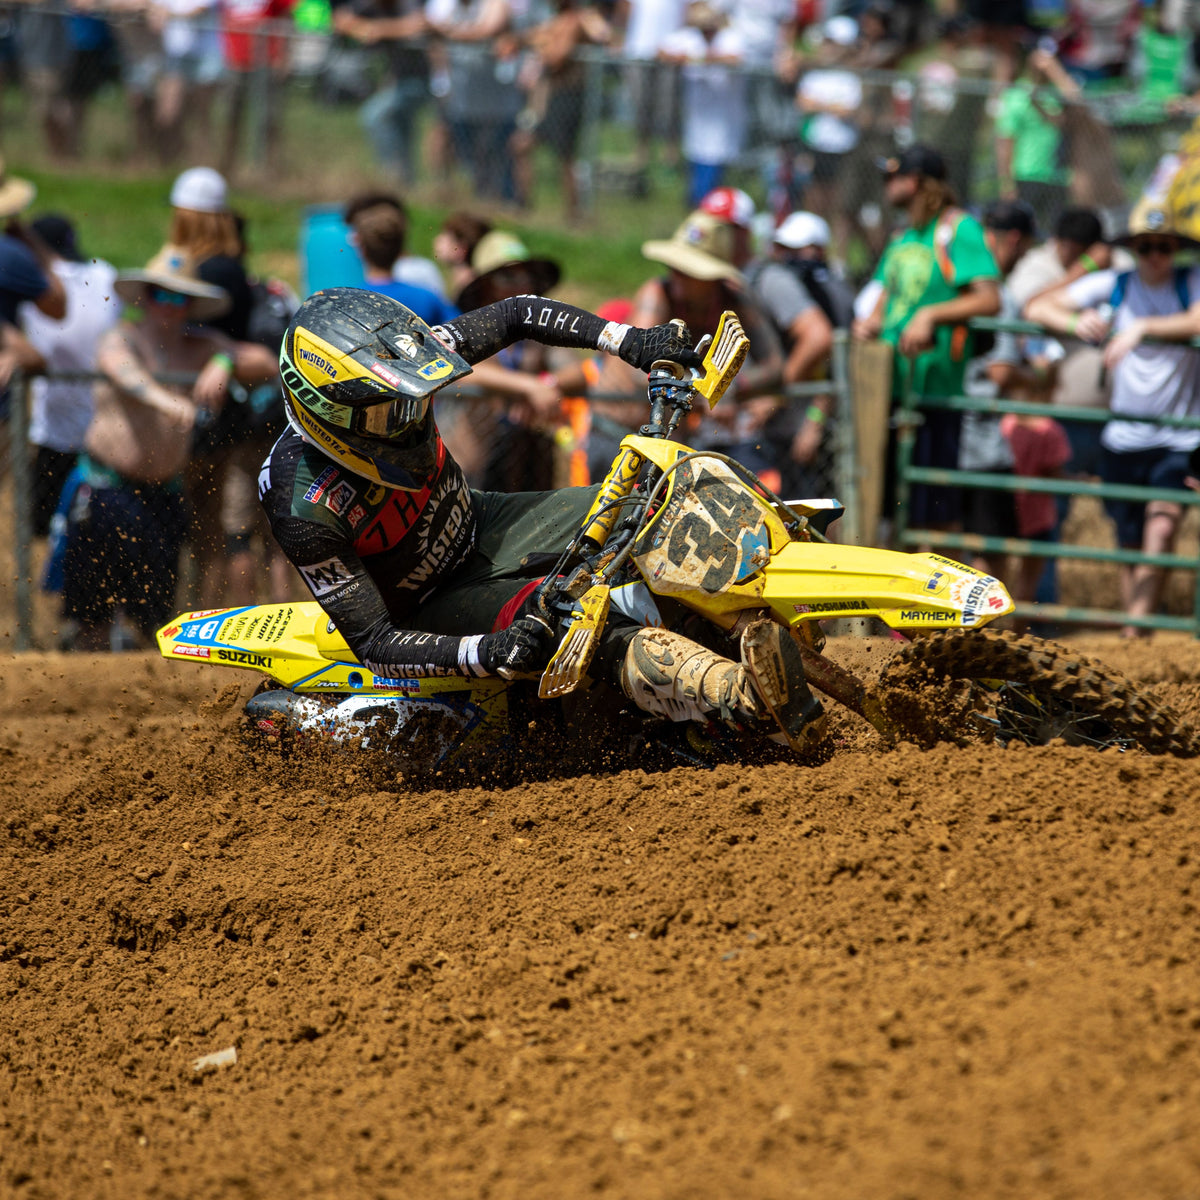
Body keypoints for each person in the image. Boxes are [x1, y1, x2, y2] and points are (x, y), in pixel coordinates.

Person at [258, 287, 824, 747]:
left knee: (651, 500)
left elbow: (516, 314)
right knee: (574, 623)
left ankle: (780, 615)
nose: (408, 419)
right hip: (435, 604)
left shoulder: (400, 357)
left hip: (484, 522)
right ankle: (734, 697)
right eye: (388, 412)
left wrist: (631, 342)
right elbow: (377, 642)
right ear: (327, 412)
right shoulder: (297, 500)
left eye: (415, 398)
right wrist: (489, 652)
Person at [60, 244, 276, 649]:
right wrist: (169, 401)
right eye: (161, 294)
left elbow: (265, 360)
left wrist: (224, 363)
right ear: (146, 297)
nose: (169, 305)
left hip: (162, 496)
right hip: (106, 490)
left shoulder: (202, 345)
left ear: (191, 304)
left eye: (179, 297)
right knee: (93, 615)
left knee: (153, 615)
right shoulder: (121, 336)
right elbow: (122, 371)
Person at [1025, 206, 1200, 637]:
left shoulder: (1189, 282)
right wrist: (1072, 321)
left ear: (1175, 249)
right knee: (1128, 539)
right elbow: (1036, 307)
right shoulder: (1116, 285)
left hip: (1177, 438)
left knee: (1162, 526)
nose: (1155, 256)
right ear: (1134, 250)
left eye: (1163, 247)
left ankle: (1134, 631)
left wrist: (1141, 328)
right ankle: (1136, 632)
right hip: (1123, 438)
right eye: (1145, 248)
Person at [853, 144, 1001, 534]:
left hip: (934, 393)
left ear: (916, 181)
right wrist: (868, 323)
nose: (886, 184)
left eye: (893, 176)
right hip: (888, 389)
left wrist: (931, 314)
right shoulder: (903, 237)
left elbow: (989, 298)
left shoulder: (958, 228)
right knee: (879, 511)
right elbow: (883, 299)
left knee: (933, 517)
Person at [18, 214, 121, 538]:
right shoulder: (104, 273)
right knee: (91, 531)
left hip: (53, 430)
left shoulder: (31, 279)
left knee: (40, 530)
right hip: (102, 430)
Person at [510, 0, 610, 222]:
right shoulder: (555, 21)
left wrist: (540, 45)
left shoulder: (577, 21)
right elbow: (527, 38)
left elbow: (557, 58)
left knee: (565, 157)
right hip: (548, 99)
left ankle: (574, 213)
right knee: (521, 145)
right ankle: (522, 204)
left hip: (568, 97)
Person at [330, 0, 430, 186]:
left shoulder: (409, 4)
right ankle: (405, 181)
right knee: (399, 127)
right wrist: (361, 28)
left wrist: (380, 29)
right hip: (395, 79)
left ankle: (394, 174)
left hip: (423, 79)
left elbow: (422, 23)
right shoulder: (369, 6)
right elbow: (340, 20)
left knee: (374, 115)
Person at [658, 2, 746, 208]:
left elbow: (735, 58)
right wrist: (678, 57)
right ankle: (697, 204)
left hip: (724, 117)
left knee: (715, 162)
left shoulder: (731, 38)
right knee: (696, 157)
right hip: (697, 115)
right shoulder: (690, 38)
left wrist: (699, 58)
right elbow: (662, 50)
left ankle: (709, 206)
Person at [995, 43, 1083, 236]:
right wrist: (1006, 183)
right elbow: (1005, 143)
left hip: (1056, 178)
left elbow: (1077, 99)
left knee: (1055, 233)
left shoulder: (1058, 96)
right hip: (1026, 176)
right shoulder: (1016, 96)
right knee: (1022, 233)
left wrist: (1054, 71)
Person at [343, 191, 459, 325]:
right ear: (400, 245)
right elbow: (457, 329)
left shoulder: (350, 303)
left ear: (361, 248)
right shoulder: (427, 298)